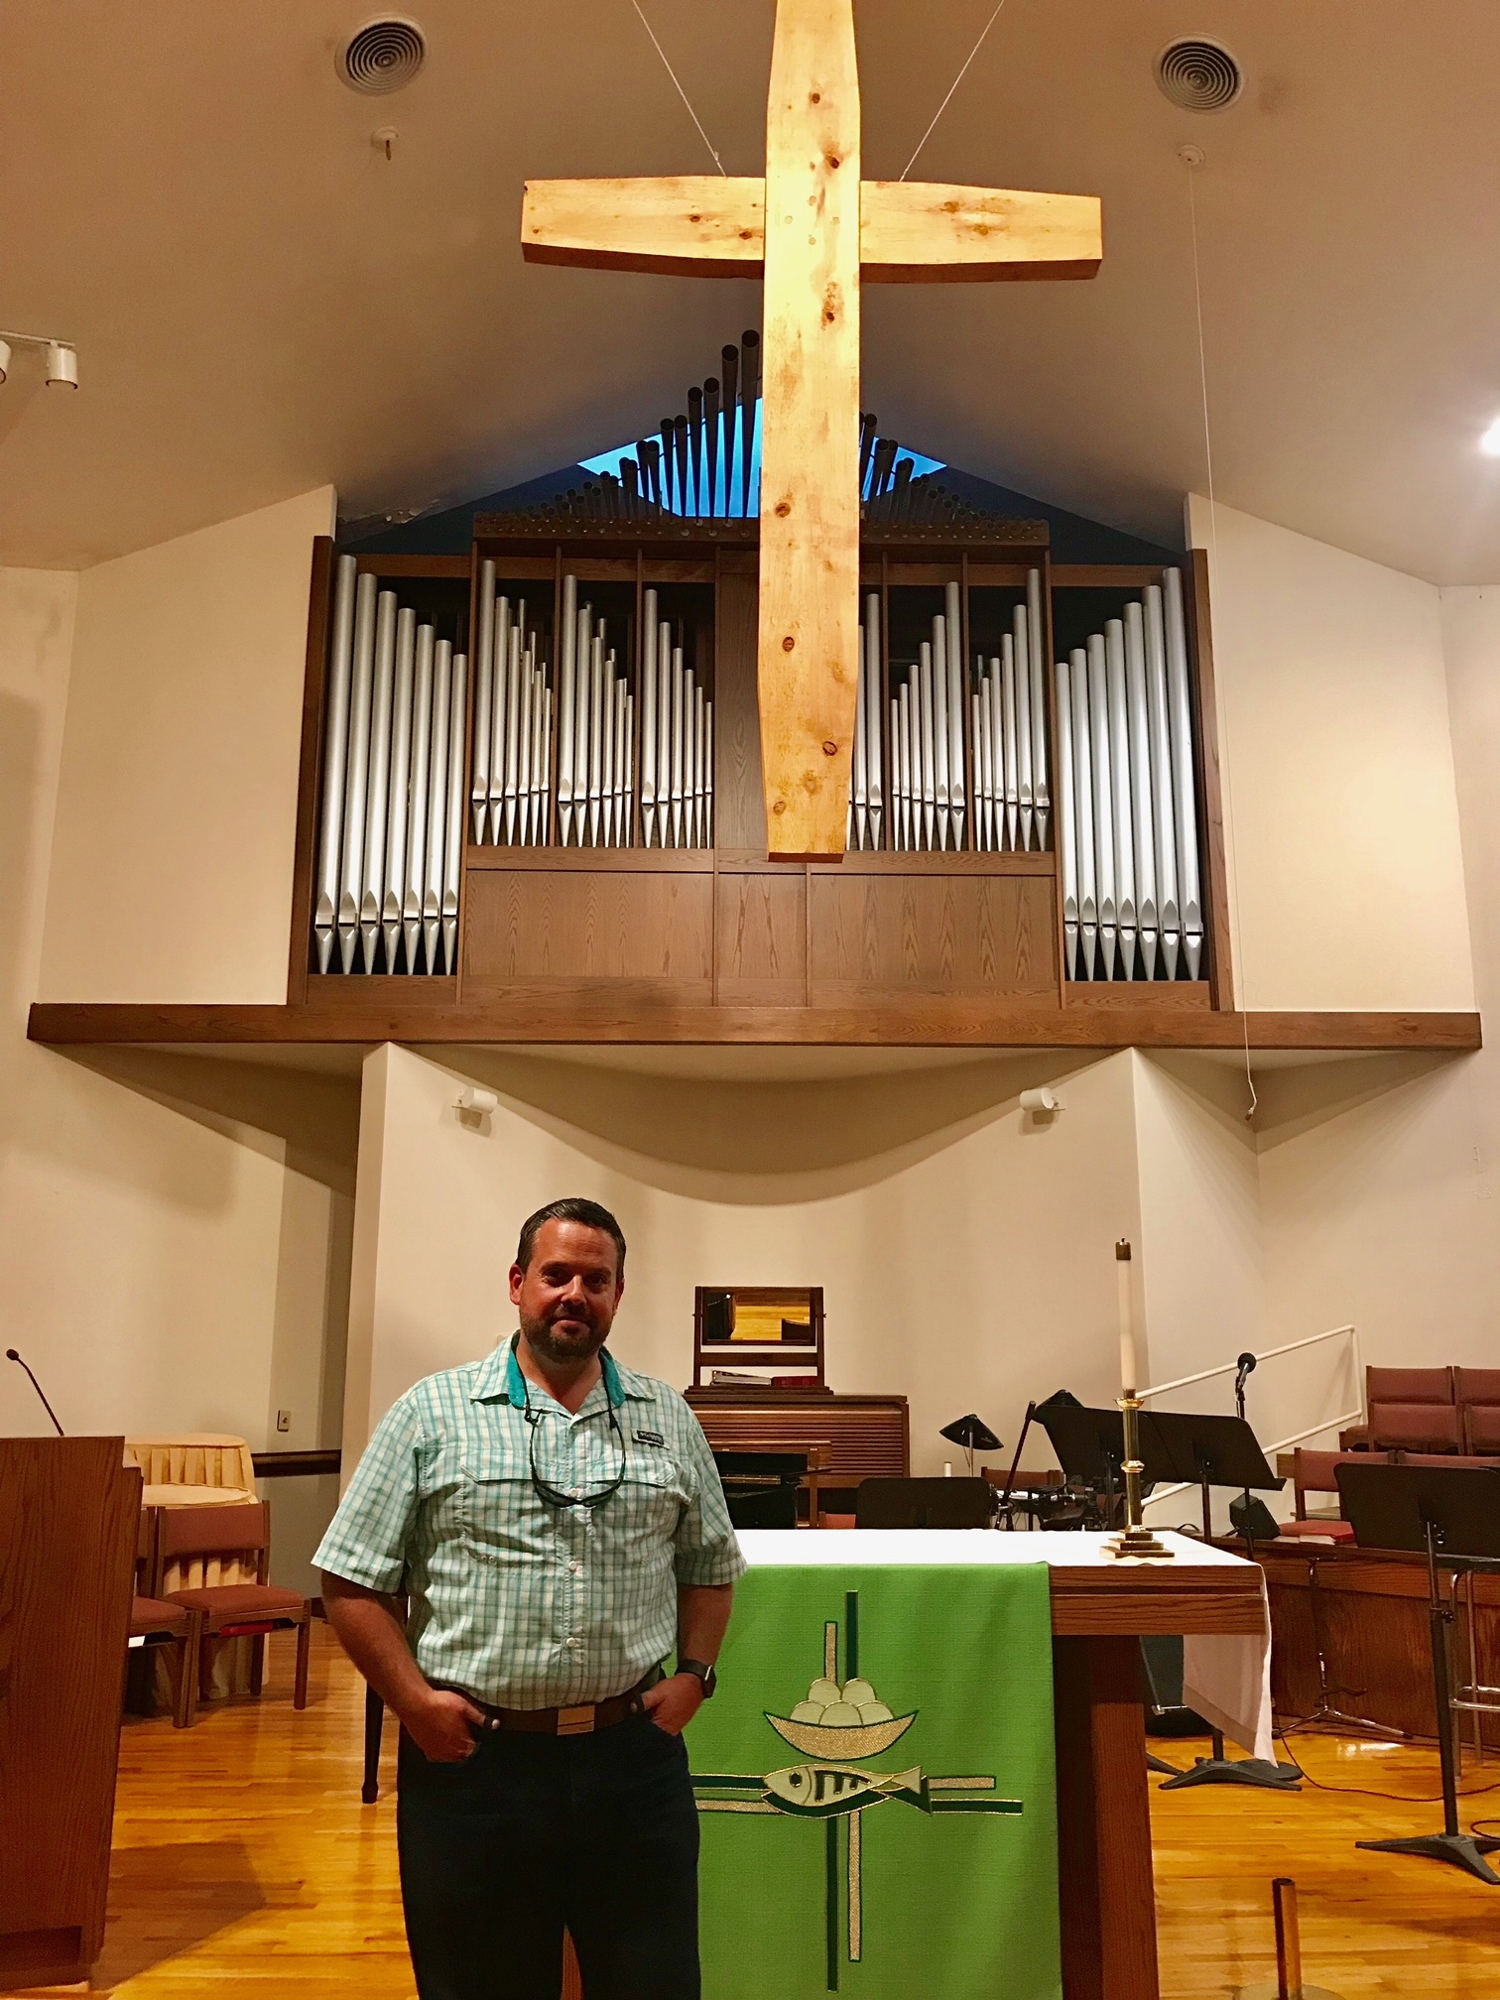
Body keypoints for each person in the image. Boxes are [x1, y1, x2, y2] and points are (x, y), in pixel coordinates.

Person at [316, 1196, 744, 2000]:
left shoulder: (669, 1418)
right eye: (556, 1275)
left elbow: (710, 1565)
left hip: (632, 1766)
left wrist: (695, 1675)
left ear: (619, 1295)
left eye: (597, 1279)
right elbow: (349, 1580)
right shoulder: (431, 1412)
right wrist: (412, 1703)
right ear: (518, 1283)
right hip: (476, 1766)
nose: (574, 1293)